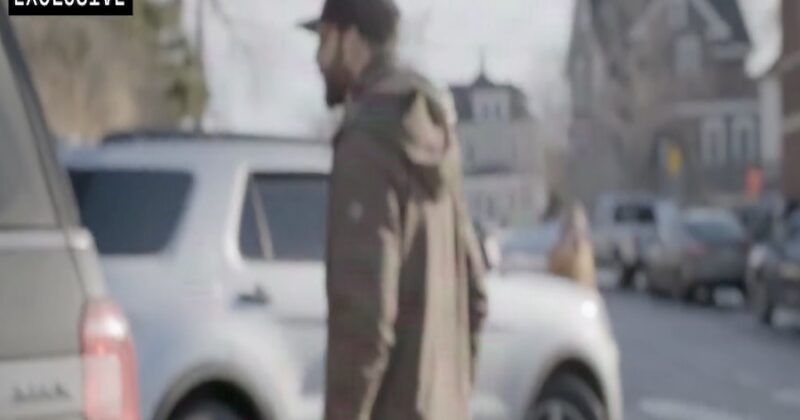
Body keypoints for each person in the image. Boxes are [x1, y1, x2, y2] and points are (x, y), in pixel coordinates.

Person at [303, 0, 489, 419]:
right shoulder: (437, 137)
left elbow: (364, 320)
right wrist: (453, 397)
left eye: (324, 40)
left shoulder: (367, 145)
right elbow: (475, 296)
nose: (317, 59)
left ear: (352, 40)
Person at [548, 203, 598, 289]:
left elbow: (590, 278)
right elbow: (554, 273)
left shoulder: (586, 249)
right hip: (566, 291)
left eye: (580, 229)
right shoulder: (560, 251)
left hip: (582, 291)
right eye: (573, 227)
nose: (577, 233)